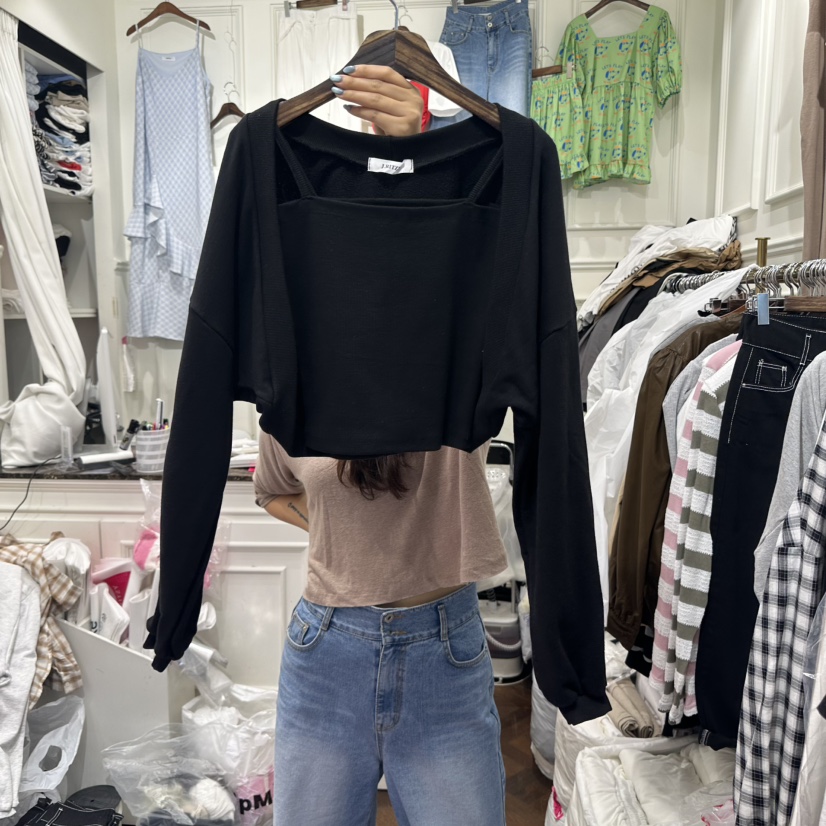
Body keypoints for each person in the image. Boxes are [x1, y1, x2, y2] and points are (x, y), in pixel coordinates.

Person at [255, 66, 511, 825]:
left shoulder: (451, 355)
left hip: (446, 651)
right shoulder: (297, 375)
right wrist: (342, 538)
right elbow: (274, 491)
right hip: (325, 652)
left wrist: (419, 151)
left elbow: (473, 253)